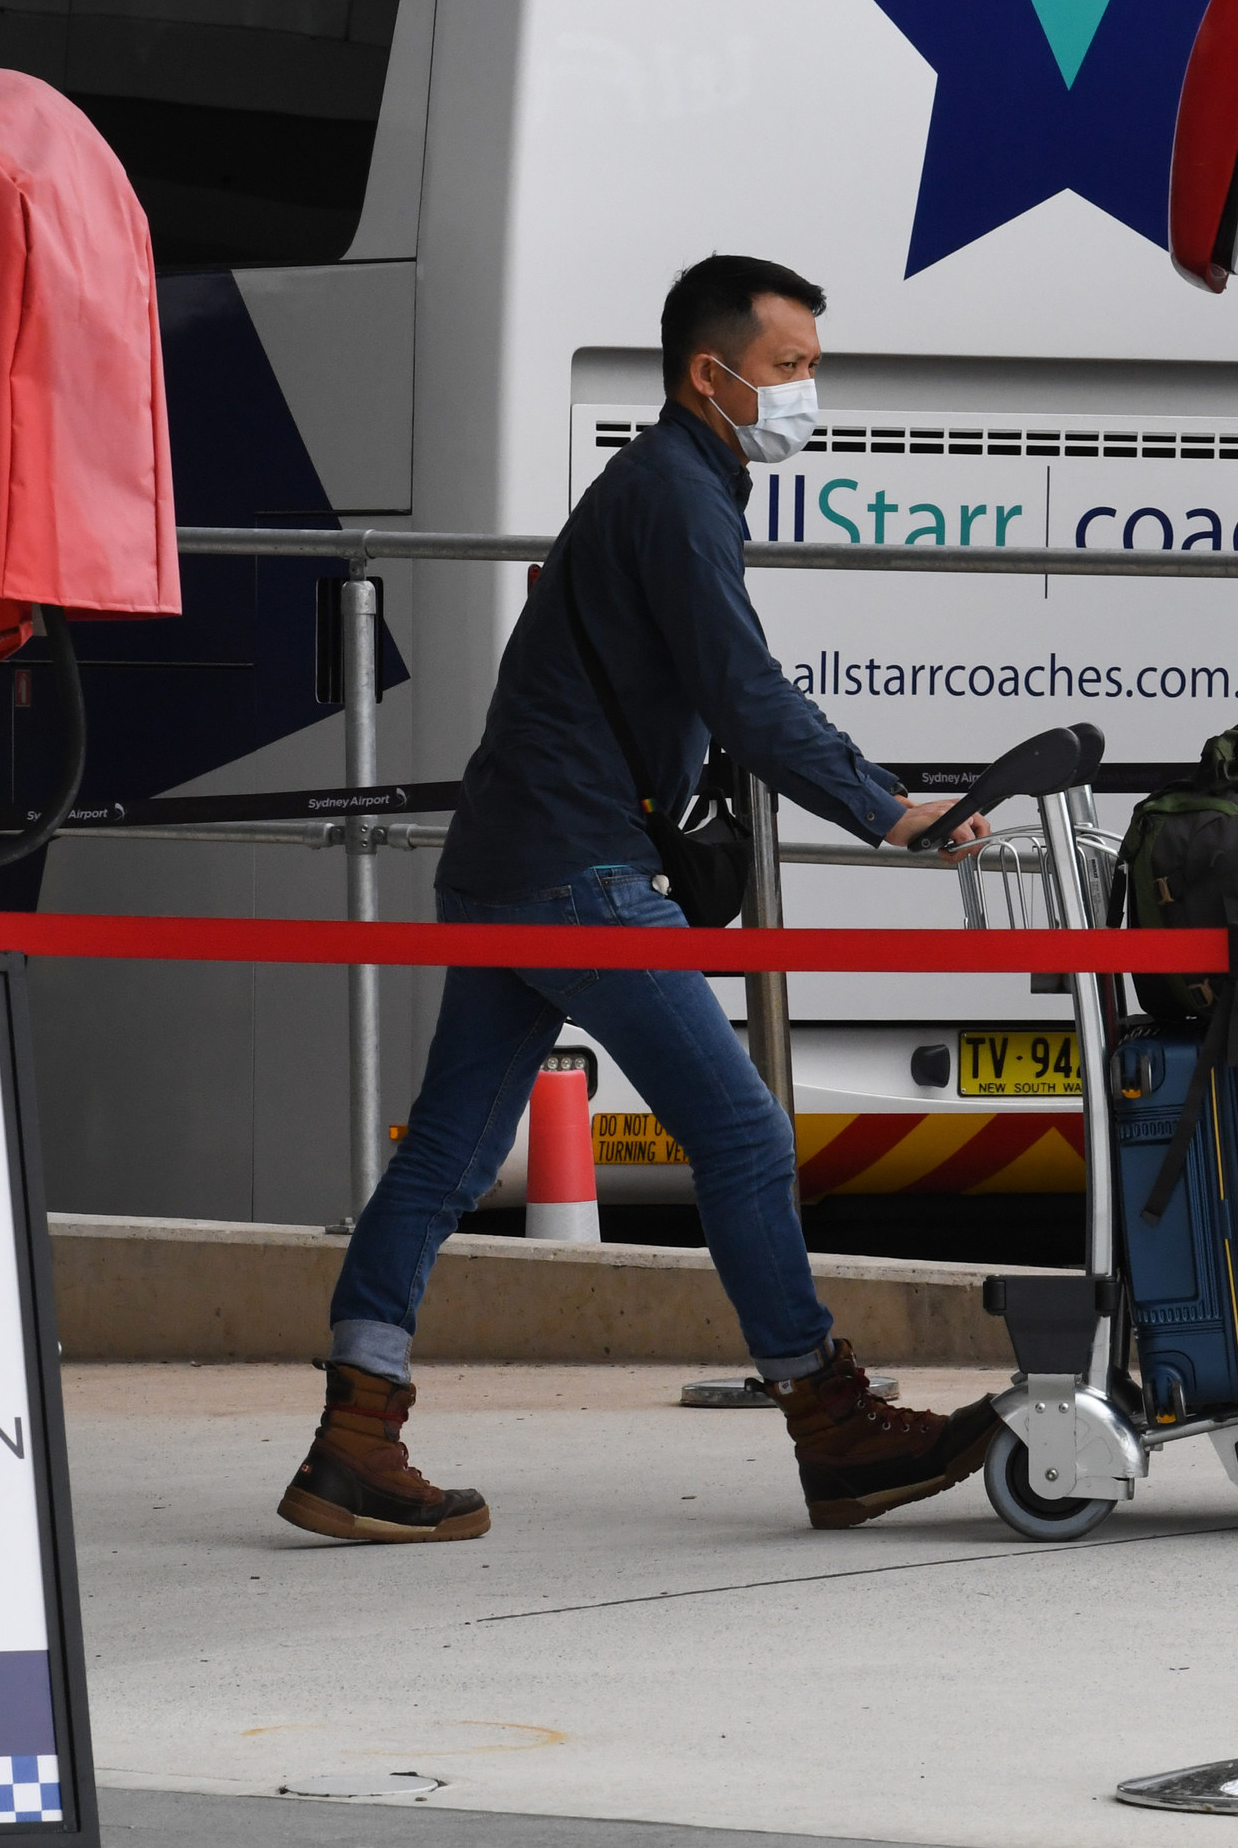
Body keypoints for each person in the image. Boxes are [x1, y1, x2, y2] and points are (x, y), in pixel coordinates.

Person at [277, 255, 999, 1546]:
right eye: (787, 371)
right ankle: (826, 1416)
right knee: (742, 1132)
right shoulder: (676, 495)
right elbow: (746, 691)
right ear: (707, 377)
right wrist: (887, 807)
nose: (805, 396)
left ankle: (355, 1429)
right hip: (577, 869)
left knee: (444, 1154)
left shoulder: (664, 486)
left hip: (506, 861)